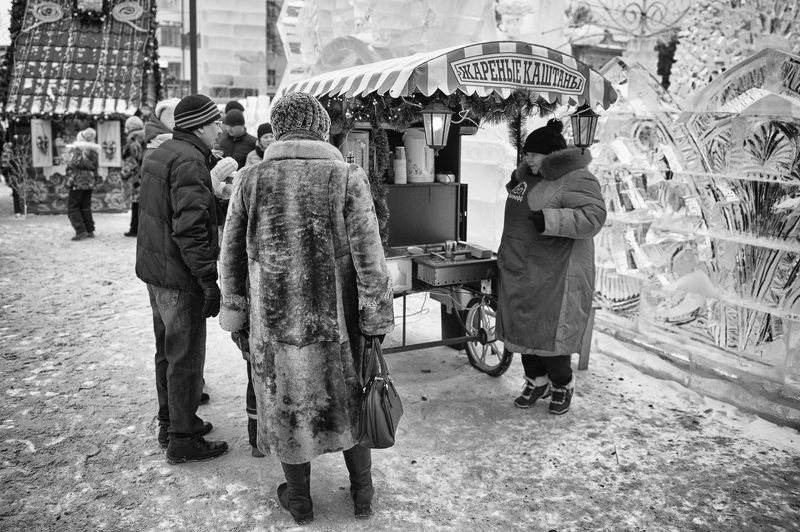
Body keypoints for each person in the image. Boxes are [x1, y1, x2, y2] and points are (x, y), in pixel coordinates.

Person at [218, 92, 394, 524]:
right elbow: (370, 259)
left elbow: (232, 257)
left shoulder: (250, 178)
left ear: (277, 129)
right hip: (338, 324)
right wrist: (375, 318)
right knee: (352, 401)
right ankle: (362, 494)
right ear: (320, 128)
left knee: (285, 408)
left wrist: (236, 312)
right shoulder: (346, 177)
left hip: (273, 327)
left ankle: (299, 501)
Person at [135, 93, 228, 464]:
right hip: (178, 273)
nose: (220, 128)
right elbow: (190, 231)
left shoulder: (163, 152)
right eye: (216, 122)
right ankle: (183, 438)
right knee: (185, 356)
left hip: (156, 271)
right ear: (201, 126)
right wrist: (208, 280)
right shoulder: (190, 161)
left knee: (167, 351)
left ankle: (171, 421)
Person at [496, 119, 606, 415]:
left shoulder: (577, 179)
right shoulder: (528, 177)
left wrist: (551, 220)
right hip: (521, 268)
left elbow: (594, 216)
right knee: (523, 336)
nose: (526, 158)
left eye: (533, 154)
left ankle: (562, 384)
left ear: (551, 156)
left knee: (549, 339)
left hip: (555, 274)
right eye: (527, 154)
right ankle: (536, 380)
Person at [65, 127, 100, 241]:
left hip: (77, 182)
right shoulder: (94, 151)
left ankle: (80, 230)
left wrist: (68, 161)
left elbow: (74, 163)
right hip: (89, 181)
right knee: (85, 206)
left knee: (73, 206)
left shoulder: (78, 149)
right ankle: (89, 230)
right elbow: (95, 167)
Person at [121, 116, 146, 237]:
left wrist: (124, 175)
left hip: (136, 178)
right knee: (143, 204)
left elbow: (130, 162)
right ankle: (139, 227)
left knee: (136, 204)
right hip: (146, 175)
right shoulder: (147, 138)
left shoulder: (132, 141)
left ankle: (135, 228)